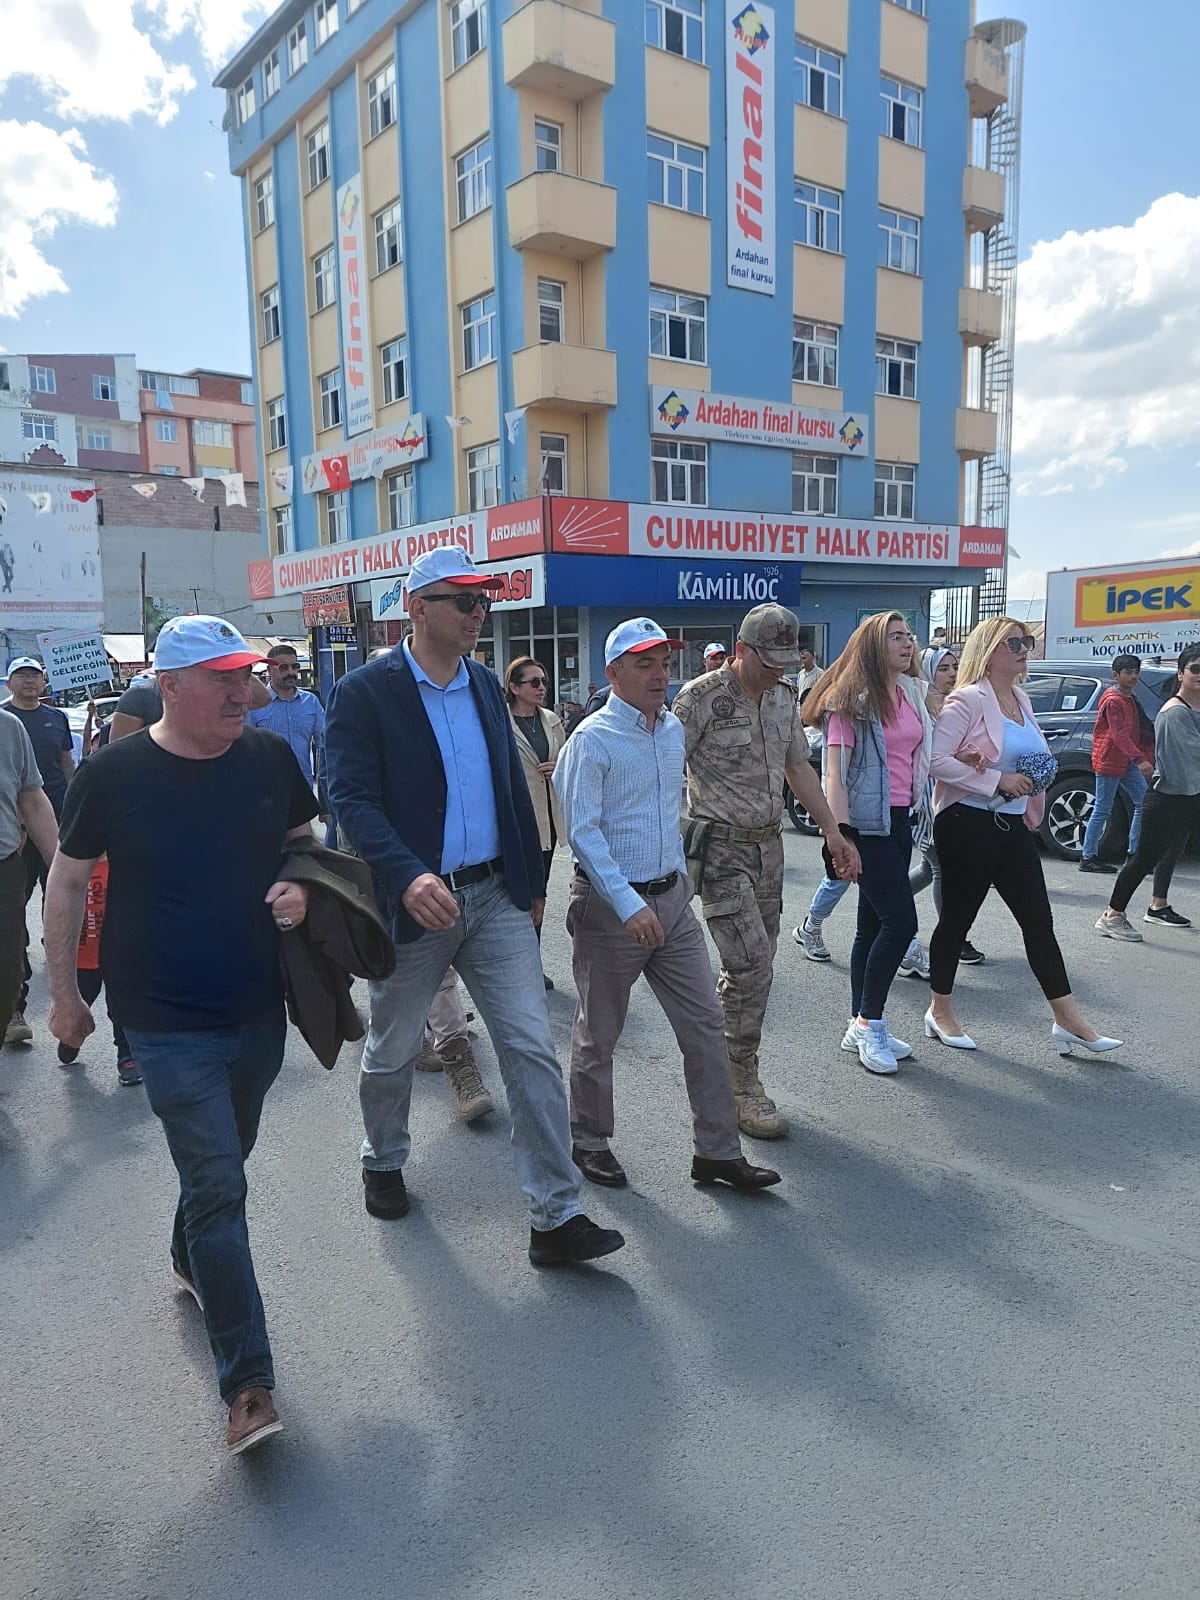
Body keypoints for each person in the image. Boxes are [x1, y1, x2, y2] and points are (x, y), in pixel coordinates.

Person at [44, 614, 319, 1456]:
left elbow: (305, 845)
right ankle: (247, 1384)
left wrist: (297, 888)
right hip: (161, 1022)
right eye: (223, 679)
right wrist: (63, 996)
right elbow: (65, 880)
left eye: (249, 676)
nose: (246, 691)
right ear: (170, 686)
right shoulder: (115, 772)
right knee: (219, 1184)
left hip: (257, 1011)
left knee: (219, 1174)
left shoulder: (272, 758)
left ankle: (185, 1253)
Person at [324, 547, 624, 1268]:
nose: (477, 612)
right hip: (415, 905)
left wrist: (531, 887)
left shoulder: (487, 684)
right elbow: (350, 799)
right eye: (463, 600)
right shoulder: (367, 691)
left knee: (528, 1048)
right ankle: (384, 1155)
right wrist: (401, 875)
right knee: (393, 1049)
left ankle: (556, 1214)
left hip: (493, 898)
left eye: (483, 600)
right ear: (418, 607)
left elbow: (509, 791)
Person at [554, 617, 781, 1192]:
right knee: (599, 1033)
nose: (660, 675)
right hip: (612, 909)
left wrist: (679, 878)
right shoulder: (593, 739)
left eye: (664, 663)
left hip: (671, 900)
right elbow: (582, 831)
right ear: (613, 673)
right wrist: (629, 904)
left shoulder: (670, 731)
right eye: (644, 663)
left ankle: (717, 1152)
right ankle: (589, 1140)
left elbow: (671, 810)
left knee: (705, 1025)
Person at [672, 604, 860, 1136]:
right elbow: (664, 769)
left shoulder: (783, 697)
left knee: (753, 969)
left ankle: (718, 1056)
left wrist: (831, 830)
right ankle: (740, 1083)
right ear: (741, 650)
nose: (779, 669)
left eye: (786, 659)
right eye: (768, 660)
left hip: (768, 852)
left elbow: (797, 767)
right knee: (753, 964)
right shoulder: (701, 698)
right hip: (721, 851)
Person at [925, 617, 1121, 1057]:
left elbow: (1028, 757)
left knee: (1038, 920)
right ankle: (940, 1010)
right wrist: (995, 778)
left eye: (1026, 641)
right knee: (958, 919)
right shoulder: (966, 700)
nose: (1023, 648)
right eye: (1012, 642)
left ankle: (1067, 1019)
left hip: (1010, 825)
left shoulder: (1019, 698)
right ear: (988, 650)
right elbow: (935, 761)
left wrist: (1038, 774)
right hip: (967, 823)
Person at [803, 612, 933, 1074]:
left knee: (872, 927)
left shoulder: (910, 693)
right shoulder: (849, 702)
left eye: (909, 636)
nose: (907, 643)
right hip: (866, 825)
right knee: (900, 925)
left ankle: (861, 1023)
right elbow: (834, 772)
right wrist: (839, 836)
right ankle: (870, 1023)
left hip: (900, 820)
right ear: (874, 647)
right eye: (896, 637)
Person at [1097, 643, 1200, 942]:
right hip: (1170, 798)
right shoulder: (1174, 713)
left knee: (1173, 850)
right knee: (1143, 858)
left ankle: (1158, 905)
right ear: (1180, 673)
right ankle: (1112, 916)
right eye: (1195, 669)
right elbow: (1185, 762)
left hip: (1191, 796)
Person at [4, 656, 74, 1046]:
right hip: (13, 836)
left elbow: (65, 767)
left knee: (60, 900)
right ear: (9, 683)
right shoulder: (5, 718)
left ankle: (59, 961)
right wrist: (18, 823)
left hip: (55, 823)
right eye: (22, 675)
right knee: (14, 915)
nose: (29, 681)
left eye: (35, 675)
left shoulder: (54, 719)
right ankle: (14, 1006)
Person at [504, 656, 565, 992]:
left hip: (548, 821)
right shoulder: (500, 722)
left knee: (539, 895)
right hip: (516, 820)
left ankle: (531, 966)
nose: (542, 688)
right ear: (514, 688)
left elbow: (568, 759)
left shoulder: (552, 721)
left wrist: (559, 767)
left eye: (544, 681)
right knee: (519, 897)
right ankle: (515, 969)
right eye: (534, 683)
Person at [0, 710, 58, 1044]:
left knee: (6, 979)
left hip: (4, 871)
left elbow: (33, 800)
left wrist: (65, 872)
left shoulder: (9, 728)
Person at [1079, 654, 1154, 875]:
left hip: (1126, 760)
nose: (1133, 676)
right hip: (1111, 759)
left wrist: (1138, 757)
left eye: (1136, 672)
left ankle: (1134, 855)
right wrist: (1140, 759)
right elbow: (1118, 734)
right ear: (1116, 675)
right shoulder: (1113, 700)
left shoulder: (1129, 697)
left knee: (1142, 803)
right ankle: (1088, 857)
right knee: (1103, 808)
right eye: (1128, 672)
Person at [245, 645, 328, 822]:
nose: (291, 672)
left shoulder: (310, 702)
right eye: (283, 667)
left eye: (294, 666)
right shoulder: (255, 703)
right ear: (270, 670)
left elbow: (326, 746)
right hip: (266, 791)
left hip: (302, 789)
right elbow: (245, 749)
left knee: (301, 844)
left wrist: (325, 802)